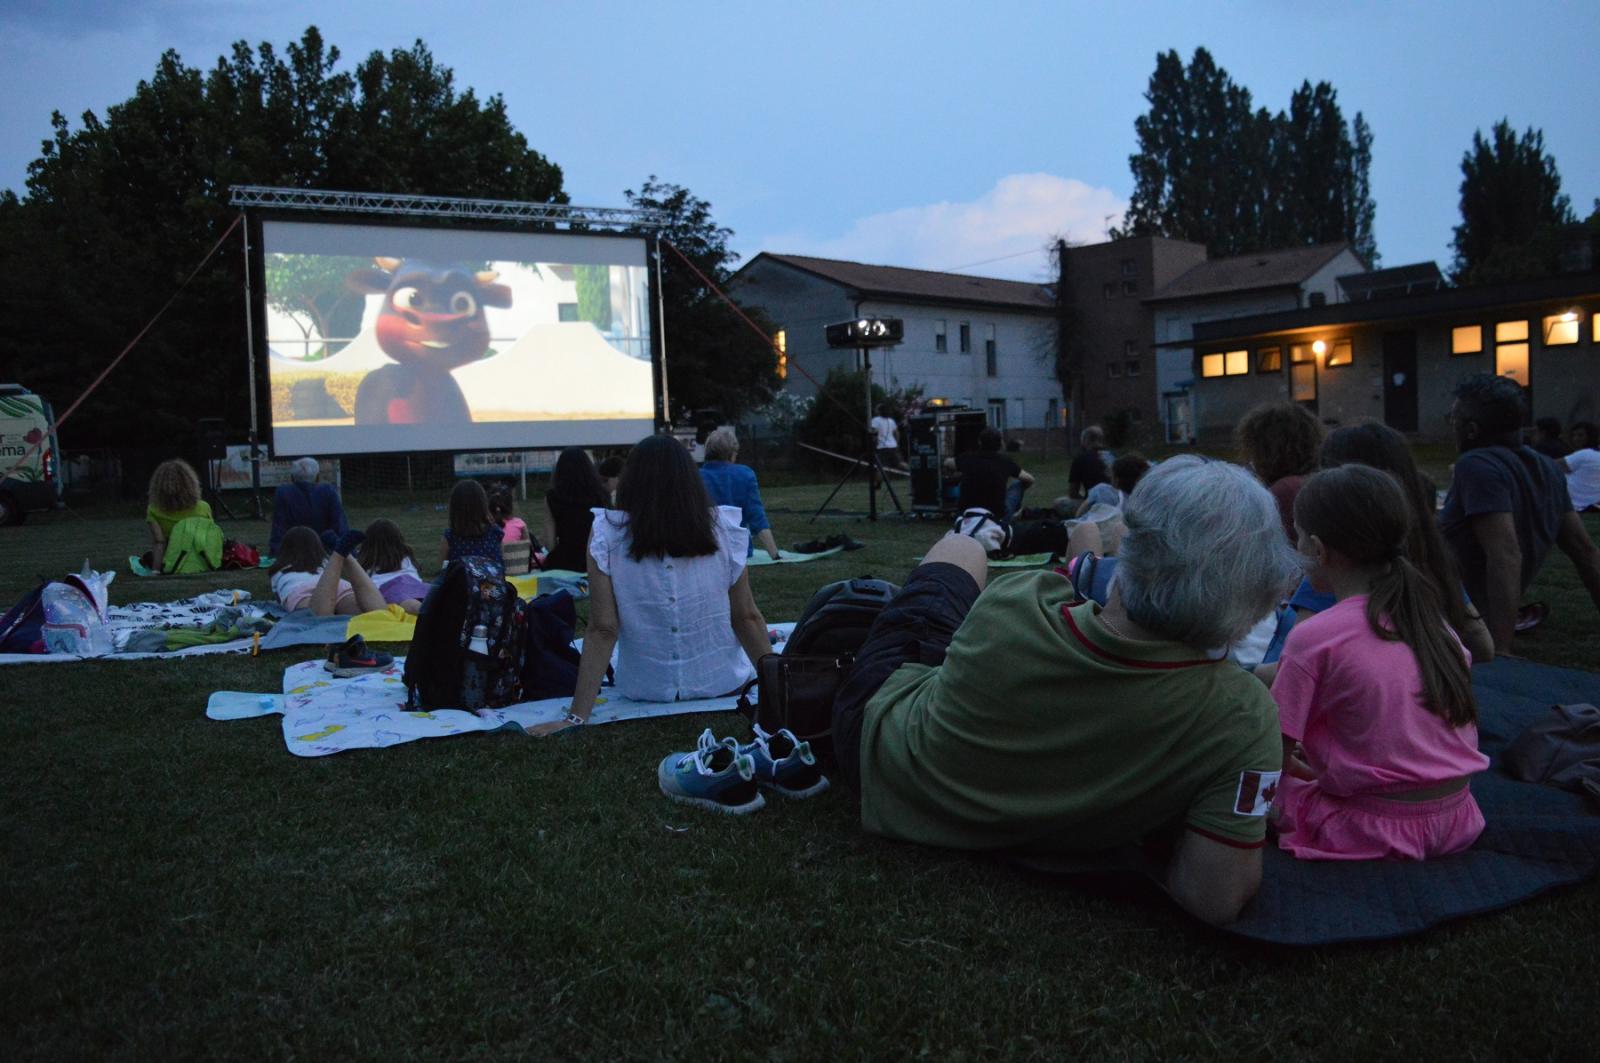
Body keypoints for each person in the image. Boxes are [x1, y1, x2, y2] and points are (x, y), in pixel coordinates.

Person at [832, 456, 1300, 925]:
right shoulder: (1241, 718)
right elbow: (1214, 896)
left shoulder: (1020, 601)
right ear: (1256, 594)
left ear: (1131, 549)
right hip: (939, 746)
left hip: (884, 754)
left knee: (962, 550)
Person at [1271, 465, 1488, 861]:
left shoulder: (1314, 637)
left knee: (1239, 775)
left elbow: (1272, 757)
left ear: (1317, 549)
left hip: (1368, 830)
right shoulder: (1433, 624)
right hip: (1457, 819)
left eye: (1297, 537)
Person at [528, 434, 773, 736]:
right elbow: (746, 617)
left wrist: (576, 717)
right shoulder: (724, 528)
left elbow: (603, 628)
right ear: (690, 480)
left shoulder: (606, 532)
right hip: (721, 682)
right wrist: (782, 691)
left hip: (644, 688)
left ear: (631, 480)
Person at [1276, 423, 1493, 666]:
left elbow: (1297, 664)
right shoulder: (1426, 556)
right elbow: (1483, 645)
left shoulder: (1335, 571)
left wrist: (1248, 673)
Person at [1438, 373, 1600, 654]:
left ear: (1471, 429)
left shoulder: (1475, 465)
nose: (1452, 426)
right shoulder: (1547, 468)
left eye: (1453, 419)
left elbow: (1505, 556)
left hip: (1457, 613)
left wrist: (1500, 651)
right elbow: (1584, 552)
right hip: (1477, 612)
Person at [952, 427, 1066, 558]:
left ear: (979, 442)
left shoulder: (967, 458)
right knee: (1018, 484)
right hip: (997, 516)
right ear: (1000, 444)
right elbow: (1029, 479)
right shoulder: (1005, 461)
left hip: (966, 515)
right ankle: (1014, 514)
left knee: (960, 483)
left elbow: (948, 463)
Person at [1235, 402, 1323, 543]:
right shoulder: (1316, 481)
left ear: (1264, 449)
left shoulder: (1284, 491)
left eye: (1251, 448)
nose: (1249, 458)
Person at [699, 427, 781, 561]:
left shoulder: (695, 476)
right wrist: (775, 555)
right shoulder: (745, 474)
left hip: (706, 548)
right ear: (732, 453)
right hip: (738, 549)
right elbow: (757, 517)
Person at [270, 527, 387, 616]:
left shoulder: (278, 569)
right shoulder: (326, 563)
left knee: (316, 617)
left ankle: (341, 552)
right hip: (335, 584)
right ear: (317, 547)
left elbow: (278, 598)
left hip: (301, 591)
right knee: (370, 614)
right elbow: (331, 575)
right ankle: (344, 554)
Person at [542, 448, 610, 573]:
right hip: (596, 560)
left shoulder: (552, 497)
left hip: (564, 563)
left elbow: (549, 544)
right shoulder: (602, 495)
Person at [144, 458, 215, 572]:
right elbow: (210, 537)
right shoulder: (204, 507)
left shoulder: (153, 510)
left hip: (173, 564)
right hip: (201, 561)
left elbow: (159, 542)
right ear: (190, 483)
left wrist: (156, 570)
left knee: (147, 557)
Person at [268, 457, 349, 554]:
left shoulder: (283, 493)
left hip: (292, 552)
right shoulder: (328, 491)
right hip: (325, 551)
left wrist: (276, 552)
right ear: (317, 477)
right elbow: (340, 526)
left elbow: (278, 528)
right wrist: (347, 551)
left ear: (292, 477)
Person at [357, 519, 430, 614]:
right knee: (415, 603)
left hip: (389, 589)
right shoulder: (405, 556)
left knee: (410, 604)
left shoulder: (366, 562)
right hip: (416, 586)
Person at [438, 480, 504, 569]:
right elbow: (501, 562)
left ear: (454, 507)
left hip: (460, 578)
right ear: (483, 504)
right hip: (492, 577)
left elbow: (443, 568)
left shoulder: (450, 537)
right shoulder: (496, 532)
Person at [1560, 421, 1600, 513]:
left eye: (1580, 435)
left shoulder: (1584, 454)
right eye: (1574, 435)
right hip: (1593, 504)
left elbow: (1550, 465)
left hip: (1576, 505)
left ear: (1591, 436)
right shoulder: (1594, 454)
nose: (1575, 439)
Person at [1066, 426, 1112, 500]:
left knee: (1059, 502)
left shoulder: (1080, 459)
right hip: (1114, 501)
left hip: (1094, 502)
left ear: (1086, 440)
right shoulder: (1112, 456)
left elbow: (1073, 493)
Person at [870, 403, 902, 471]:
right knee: (900, 463)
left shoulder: (875, 420)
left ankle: (879, 479)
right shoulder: (891, 420)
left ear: (879, 411)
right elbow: (897, 433)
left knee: (880, 467)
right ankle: (913, 473)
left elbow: (874, 433)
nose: (875, 409)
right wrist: (897, 443)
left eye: (876, 408)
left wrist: (873, 443)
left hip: (882, 447)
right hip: (893, 446)